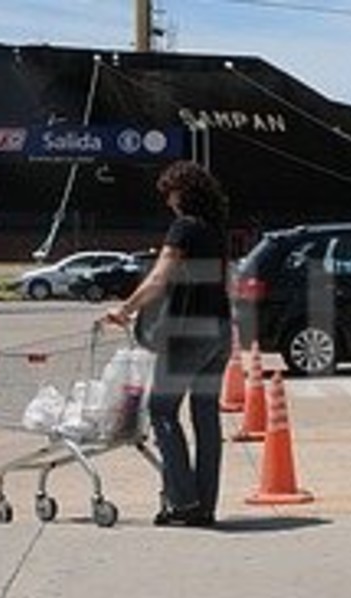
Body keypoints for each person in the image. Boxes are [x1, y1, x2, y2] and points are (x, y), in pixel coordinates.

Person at [104, 160, 231, 527]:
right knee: (206, 418)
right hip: (220, 332)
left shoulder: (183, 229)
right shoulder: (215, 231)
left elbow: (160, 276)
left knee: (161, 410)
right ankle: (205, 506)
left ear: (182, 194)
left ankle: (184, 502)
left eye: (170, 194)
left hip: (188, 334)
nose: (168, 202)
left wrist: (125, 310)